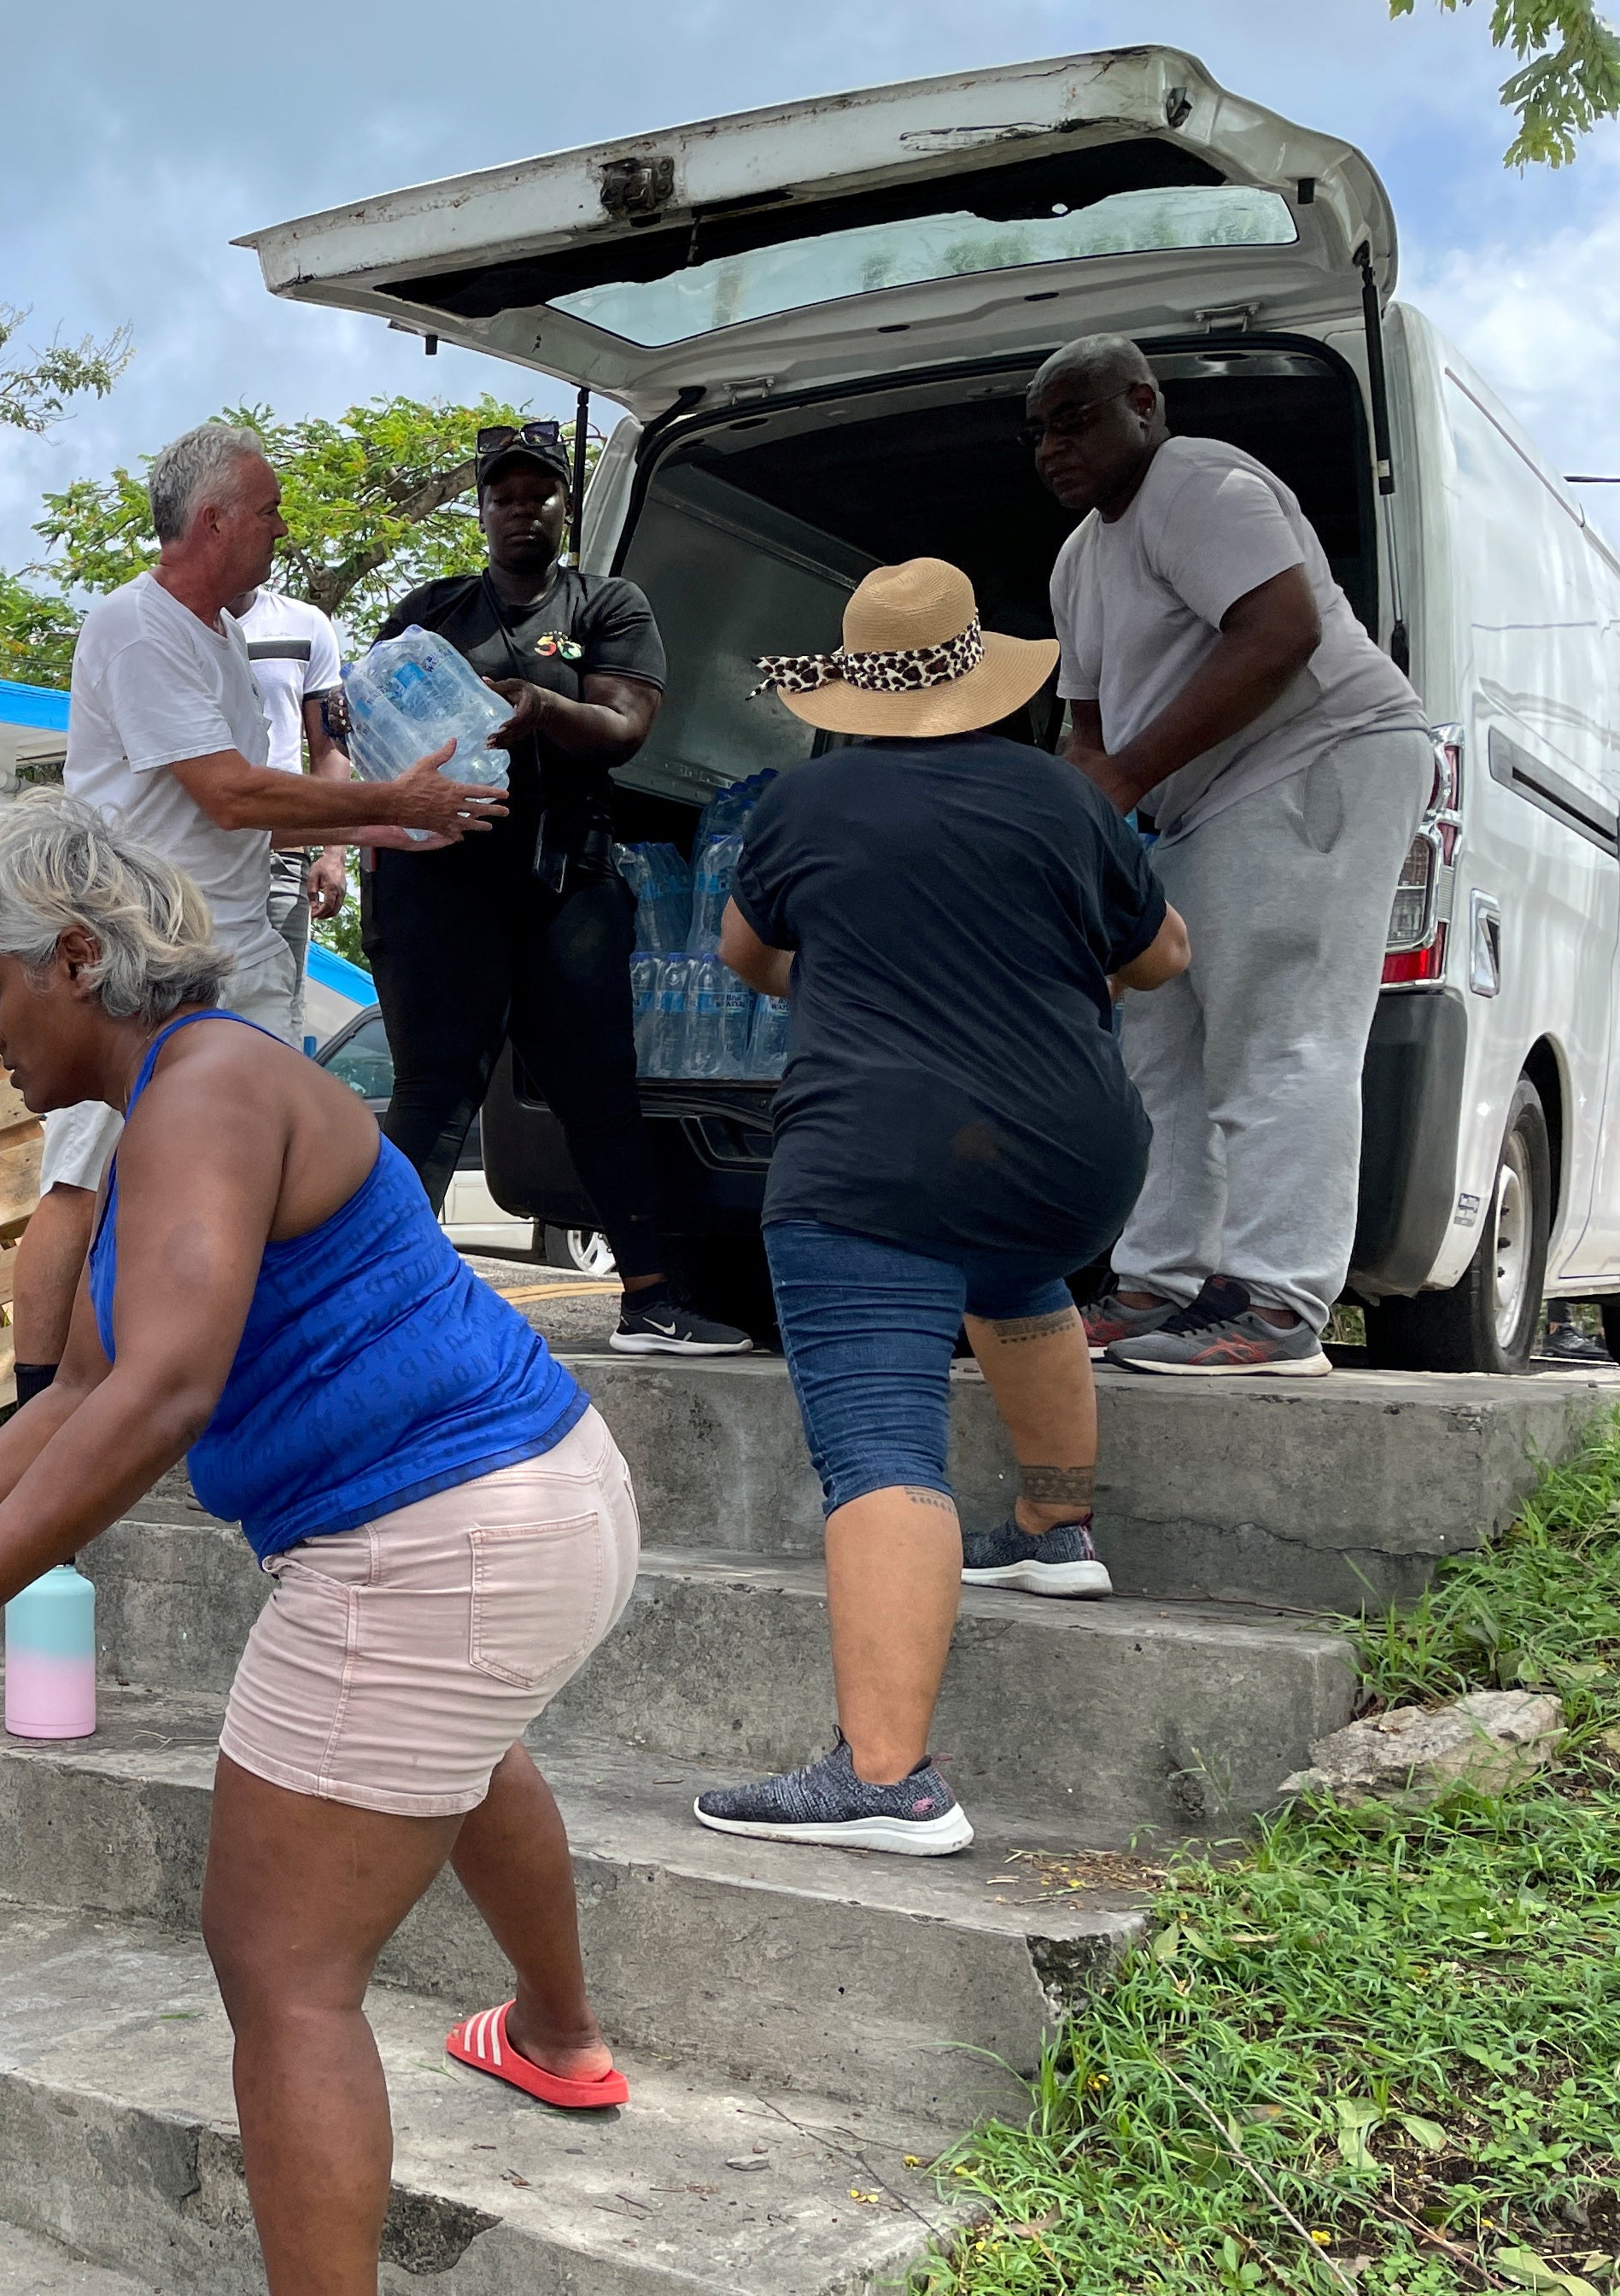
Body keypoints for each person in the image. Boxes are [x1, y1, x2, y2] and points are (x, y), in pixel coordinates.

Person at [0, 790, 639, 2296]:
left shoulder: (203, 1092)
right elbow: (94, 1386)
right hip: (535, 1493)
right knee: (455, 1743)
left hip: (433, 1523)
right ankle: (557, 2034)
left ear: (68, 957)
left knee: (282, 1968)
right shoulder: (178, 1109)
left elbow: (170, 1389)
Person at [693, 560, 1189, 1858]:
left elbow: (749, 957)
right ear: (979, 674)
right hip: (1073, 1157)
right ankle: (1053, 1524)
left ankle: (887, 1778)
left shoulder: (803, 804)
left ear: (858, 689)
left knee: (880, 1453)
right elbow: (1163, 954)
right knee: (1020, 1284)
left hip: (875, 1157)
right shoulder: (1064, 799)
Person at [5, 422, 498, 1409]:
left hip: (229, 955)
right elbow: (232, 795)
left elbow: (238, 821)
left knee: (243, 1177)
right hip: (135, 957)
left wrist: (381, 838)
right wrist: (396, 803)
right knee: (84, 1184)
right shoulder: (135, 626)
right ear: (214, 520)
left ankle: (202, 1390)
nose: (280, 529)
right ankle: (39, 1415)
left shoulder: (220, 637)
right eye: (268, 512)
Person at [1030, 333, 1436, 1376]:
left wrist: (1125, 780)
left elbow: (1280, 630)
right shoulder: (1079, 559)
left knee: (1281, 1033)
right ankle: (1158, 1282)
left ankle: (1278, 1303)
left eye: (1075, 418)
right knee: (1160, 1046)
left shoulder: (1195, 481)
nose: (1053, 448)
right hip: (1200, 801)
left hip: (1320, 755)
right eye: (1039, 432)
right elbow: (1087, 732)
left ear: (1144, 404)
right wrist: (1090, 823)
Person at [367, 420, 751, 1356]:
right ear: (483, 508)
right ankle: (375, 1310)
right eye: (503, 495)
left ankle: (651, 1300)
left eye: (538, 493)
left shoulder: (607, 604)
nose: (520, 509)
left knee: (598, 1093)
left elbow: (626, 727)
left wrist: (543, 708)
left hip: (561, 883)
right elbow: (371, 718)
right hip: (440, 879)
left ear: (564, 507)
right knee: (432, 1093)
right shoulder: (431, 609)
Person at [234, 583, 349, 1048]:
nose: (275, 527)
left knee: (273, 1019)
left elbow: (331, 747)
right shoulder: (168, 620)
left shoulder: (304, 624)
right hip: (185, 860)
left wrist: (334, 851)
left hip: (279, 858)